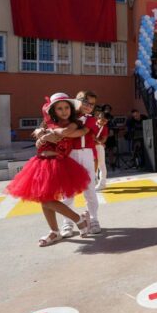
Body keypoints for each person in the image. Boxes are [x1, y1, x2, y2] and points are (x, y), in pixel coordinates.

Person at [6, 93, 91, 246]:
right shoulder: (46, 124)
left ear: (71, 109)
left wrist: (47, 134)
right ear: (53, 111)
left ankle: (78, 220)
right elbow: (37, 139)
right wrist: (41, 135)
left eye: (66, 108)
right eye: (59, 108)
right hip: (40, 163)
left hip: (58, 164)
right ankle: (55, 231)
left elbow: (65, 133)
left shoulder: (74, 123)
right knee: (44, 198)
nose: (64, 111)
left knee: (46, 199)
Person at [58, 91, 102, 236]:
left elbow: (82, 132)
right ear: (76, 100)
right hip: (70, 155)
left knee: (90, 188)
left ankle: (94, 219)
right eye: (85, 102)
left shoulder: (90, 119)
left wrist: (62, 133)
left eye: (92, 104)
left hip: (86, 153)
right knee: (68, 190)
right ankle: (67, 223)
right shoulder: (67, 116)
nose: (88, 106)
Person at [94, 110, 109, 191]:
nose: (104, 122)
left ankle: (102, 184)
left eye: (106, 121)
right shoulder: (92, 124)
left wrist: (98, 141)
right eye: (102, 120)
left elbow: (103, 140)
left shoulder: (105, 128)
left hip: (98, 147)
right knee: (92, 165)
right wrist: (99, 141)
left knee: (101, 165)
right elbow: (90, 136)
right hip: (90, 147)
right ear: (98, 118)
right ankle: (95, 181)